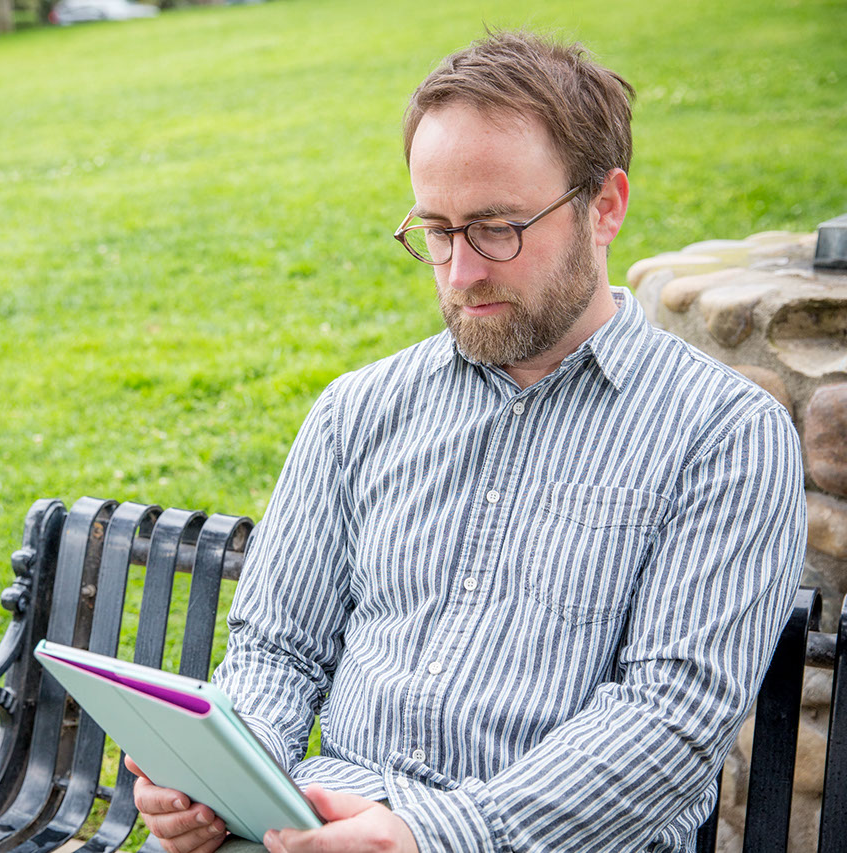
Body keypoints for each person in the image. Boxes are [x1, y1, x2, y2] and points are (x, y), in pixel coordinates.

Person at [128, 30, 807, 853]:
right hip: (324, 828)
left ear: (606, 206)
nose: (460, 273)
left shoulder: (725, 435)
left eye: (495, 229)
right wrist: (227, 779)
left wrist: (433, 836)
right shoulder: (360, 410)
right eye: (437, 232)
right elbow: (277, 645)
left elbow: (670, 718)